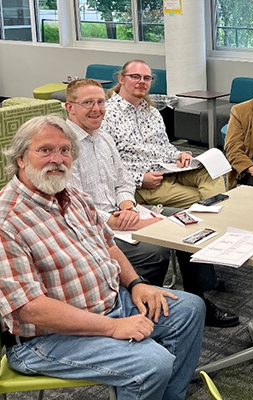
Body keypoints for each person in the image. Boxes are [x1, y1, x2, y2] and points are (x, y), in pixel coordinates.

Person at [0, 115, 205, 399]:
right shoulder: (6, 220)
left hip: (109, 303)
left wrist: (136, 285)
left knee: (190, 309)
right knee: (151, 364)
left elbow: (108, 246)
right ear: (21, 159)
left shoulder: (72, 195)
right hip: (46, 339)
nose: (57, 159)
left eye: (64, 151)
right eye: (45, 150)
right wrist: (113, 327)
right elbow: (29, 308)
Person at [65, 79, 239, 328]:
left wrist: (126, 205)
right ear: (70, 107)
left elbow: (123, 180)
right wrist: (113, 219)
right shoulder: (64, 147)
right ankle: (142, 306)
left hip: (125, 212)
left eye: (100, 102)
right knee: (155, 251)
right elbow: (72, 203)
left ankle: (199, 297)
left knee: (190, 224)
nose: (96, 109)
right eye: (87, 103)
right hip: (93, 226)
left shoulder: (103, 137)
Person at [102, 59, 226, 208]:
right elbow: (105, 164)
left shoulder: (152, 112)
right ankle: (217, 221)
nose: (142, 82)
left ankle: (216, 219)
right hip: (145, 183)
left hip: (168, 169)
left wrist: (179, 155)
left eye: (146, 78)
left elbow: (164, 146)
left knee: (212, 173)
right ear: (121, 79)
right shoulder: (106, 114)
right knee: (203, 199)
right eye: (135, 76)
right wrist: (139, 179)